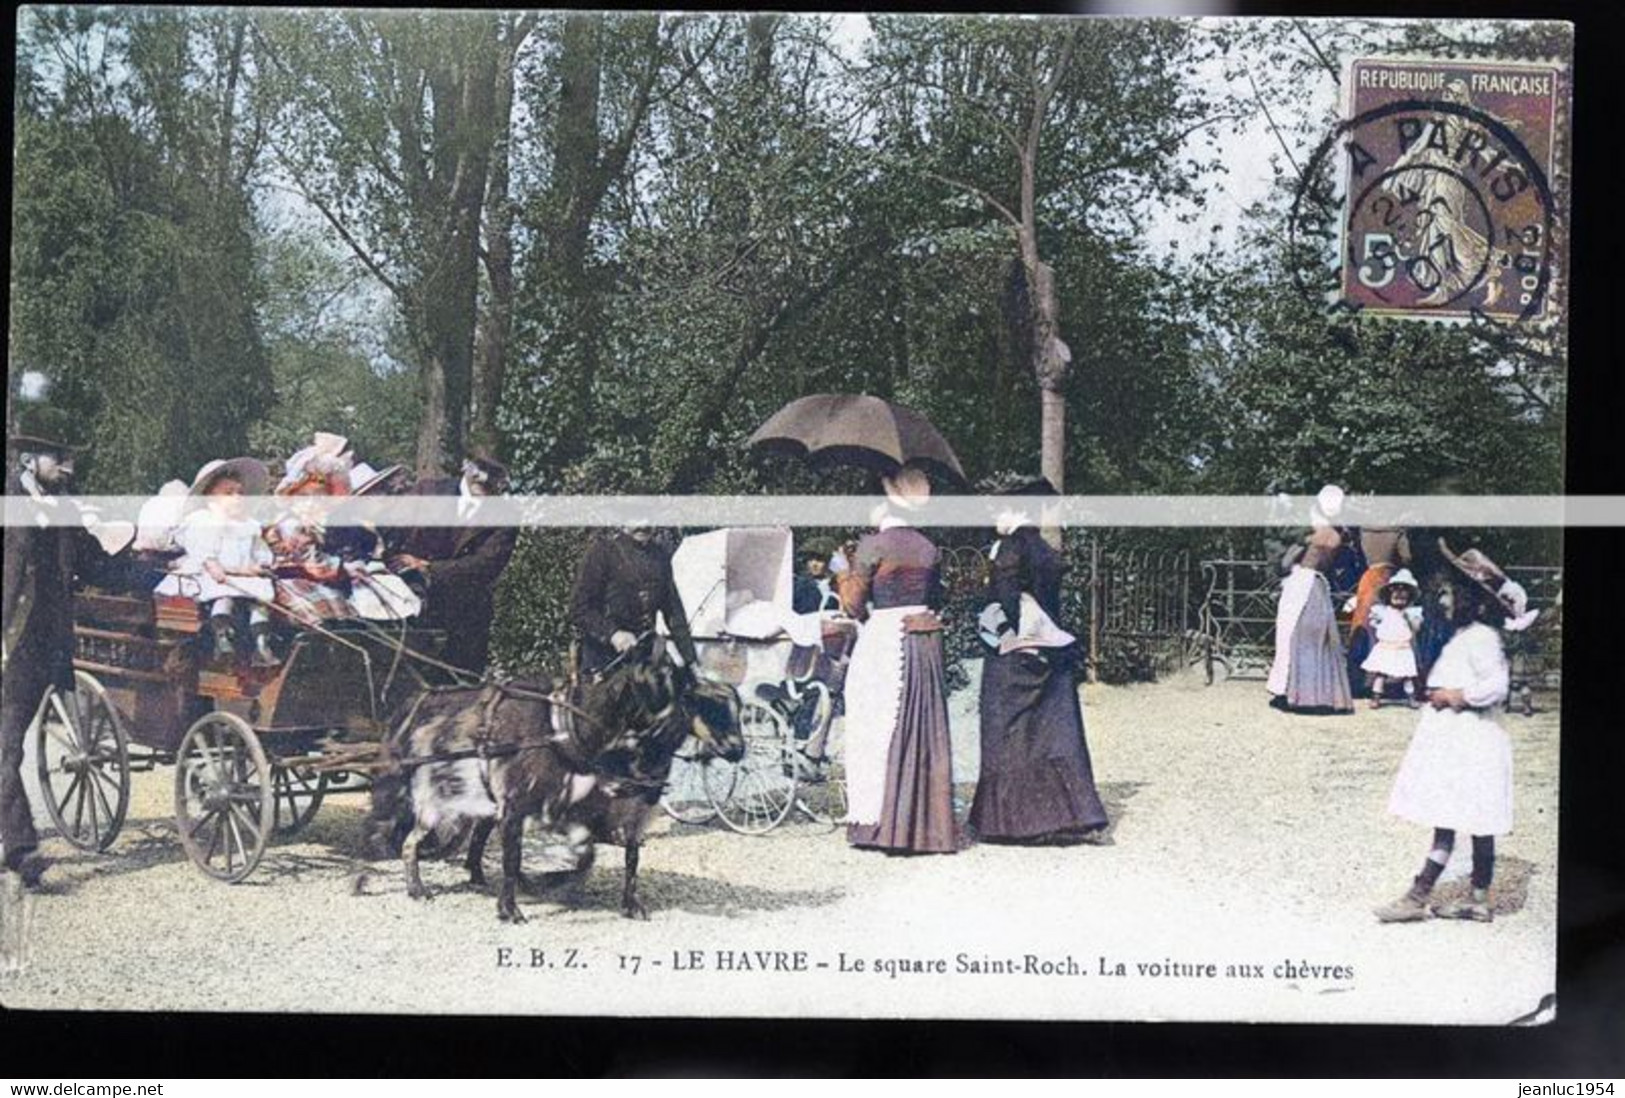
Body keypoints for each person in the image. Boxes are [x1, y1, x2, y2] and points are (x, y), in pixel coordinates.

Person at [1376, 541, 1539, 923]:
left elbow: (1497, 686)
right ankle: (1476, 897)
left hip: (1473, 742)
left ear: (1471, 599)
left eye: (1450, 591)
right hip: (1462, 740)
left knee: (1458, 818)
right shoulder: (1467, 635)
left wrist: (1456, 695)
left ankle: (1420, 896)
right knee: (1463, 816)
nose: (1443, 597)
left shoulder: (1481, 636)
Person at [968, 475, 1108, 844]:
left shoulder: (1011, 548)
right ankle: (1064, 815)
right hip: (1051, 651)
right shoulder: (1043, 549)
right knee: (1052, 732)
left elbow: (1008, 603)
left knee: (1008, 730)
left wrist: (1002, 635)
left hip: (1018, 654)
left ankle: (1014, 821)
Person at [841, 468, 957, 855]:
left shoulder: (873, 546)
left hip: (886, 640)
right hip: (923, 642)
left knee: (875, 726)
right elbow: (939, 597)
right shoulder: (927, 547)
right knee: (921, 725)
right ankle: (924, 824)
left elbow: (853, 606)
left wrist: (843, 576)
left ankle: (879, 825)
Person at [1, 400, 82, 888]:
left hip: (47, 642)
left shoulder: (63, 505)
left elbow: (92, 561)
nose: (68, 464)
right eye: (59, 455)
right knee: (7, 747)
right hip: (10, 639)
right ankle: (22, 851)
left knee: (9, 746)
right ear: (31, 459)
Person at [392, 455, 518, 675]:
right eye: (481, 470)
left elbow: (484, 565)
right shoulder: (427, 492)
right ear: (466, 466)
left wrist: (428, 567)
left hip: (466, 619)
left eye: (495, 475)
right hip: (410, 609)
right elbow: (392, 534)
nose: (486, 481)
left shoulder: (505, 517)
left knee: (461, 692)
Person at [153, 458, 278, 665]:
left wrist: (262, 564)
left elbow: (259, 550)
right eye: (228, 493)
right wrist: (212, 565)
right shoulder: (205, 521)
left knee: (260, 601)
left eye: (240, 493)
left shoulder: (248, 524)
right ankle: (222, 636)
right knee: (224, 596)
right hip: (214, 574)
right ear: (210, 498)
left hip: (244, 573)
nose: (237, 498)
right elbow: (202, 549)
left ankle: (262, 642)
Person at [1266, 485, 1354, 713]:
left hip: (1300, 583)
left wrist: (1279, 572)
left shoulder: (1309, 531)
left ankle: (1291, 692)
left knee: (1291, 636)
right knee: (1320, 640)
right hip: (1320, 584)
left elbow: (1285, 563)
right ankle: (1320, 694)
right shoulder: (1339, 533)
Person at [570, 521, 697, 677]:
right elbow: (579, 608)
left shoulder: (660, 557)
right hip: (604, 663)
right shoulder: (602, 553)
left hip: (644, 663)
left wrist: (692, 661)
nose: (643, 525)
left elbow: (674, 614)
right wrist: (613, 634)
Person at [1360, 568, 1424, 707]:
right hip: (1386, 647)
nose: (1399, 595)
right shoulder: (1382, 611)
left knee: (1407, 674)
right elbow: (1375, 624)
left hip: (1402, 648)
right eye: (1395, 591)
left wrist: (1409, 619)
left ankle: (1411, 697)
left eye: (1404, 592)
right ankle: (1376, 697)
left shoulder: (1411, 613)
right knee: (1381, 673)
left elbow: (1416, 629)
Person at [792, 537, 841, 615]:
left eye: (819, 560)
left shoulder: (837, 585)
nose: (814, 564)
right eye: (810, 560)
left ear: (828, 561)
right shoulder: (798, 586)